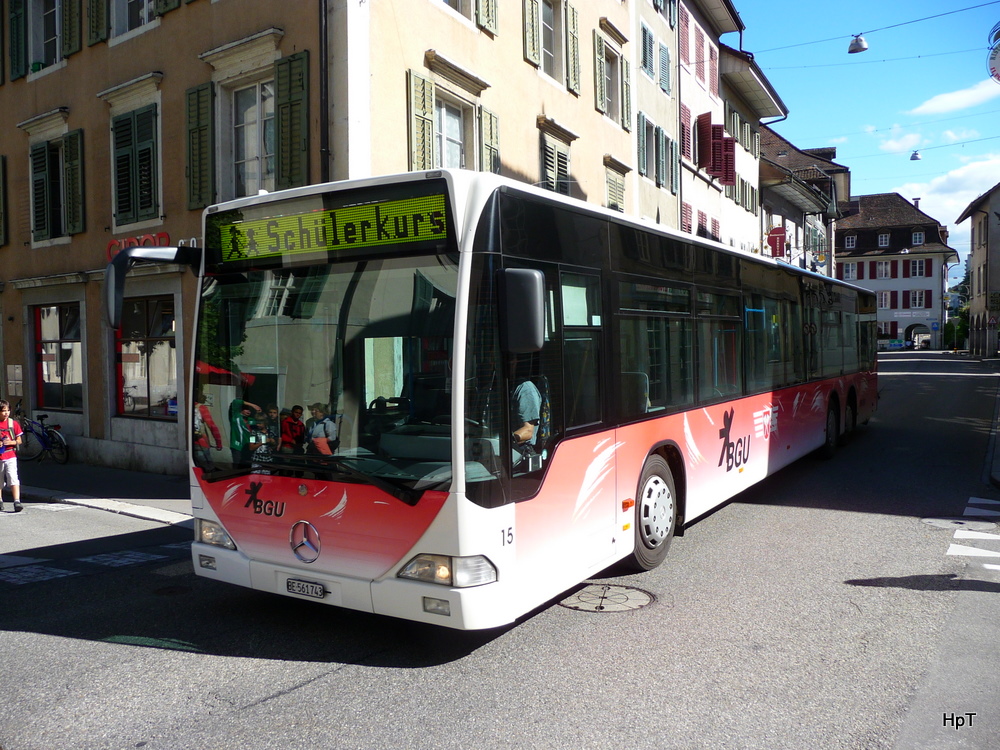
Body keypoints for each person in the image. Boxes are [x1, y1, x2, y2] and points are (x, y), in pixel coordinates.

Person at [0, 399, 23, 512]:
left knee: (13, 477)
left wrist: (11, 442)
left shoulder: (13, 423)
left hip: (10, 455)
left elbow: (19, 440)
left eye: (8, 410)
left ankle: (17, 501)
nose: (6, 413)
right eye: (4, 411)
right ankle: (0, 501)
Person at [193, 394, 223, 472]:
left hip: (190, 442)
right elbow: (212, 426)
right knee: (208, 468)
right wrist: (218, 443)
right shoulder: (201, 408)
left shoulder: (185, 406)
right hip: (201, 442)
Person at [229, 398, 262, 467]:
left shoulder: (251, 420)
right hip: (237, 446)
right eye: (246, 409)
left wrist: (259, 413)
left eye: (250, 410)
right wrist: (252, 405)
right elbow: (235, 402)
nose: (248, 411)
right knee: (237, 466)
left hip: (248, 447)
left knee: (247, 466)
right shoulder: (235, 416)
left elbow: (256, 431)